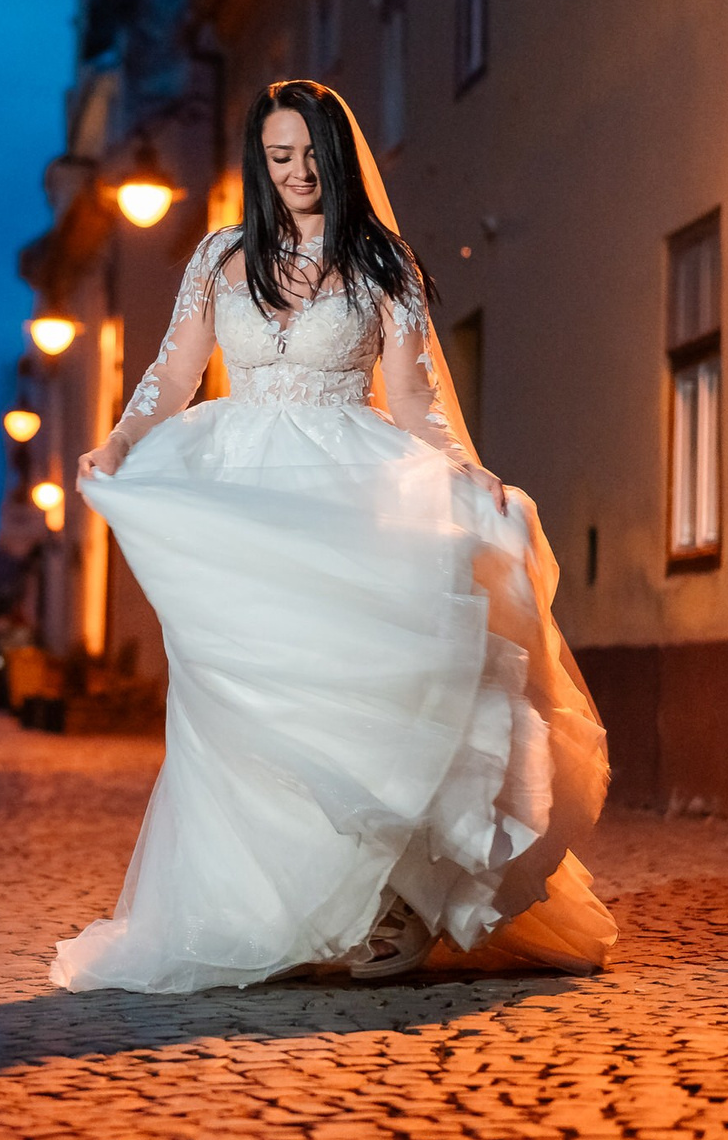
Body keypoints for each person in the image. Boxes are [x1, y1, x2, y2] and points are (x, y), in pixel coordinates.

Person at [49, 80, 616, 993]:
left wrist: (469, 473)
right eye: (279, 158)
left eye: (312, 157)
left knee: (359, 692)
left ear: (338, 159)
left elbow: (419, 396)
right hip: (241, 502)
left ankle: (384, 902)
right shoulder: (220, 258)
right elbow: (175, 369)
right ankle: (269, 907)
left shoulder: (380, 263)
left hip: (351, 488)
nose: (298, 174)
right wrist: (118, 441)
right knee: (247, 703)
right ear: (258, 164)